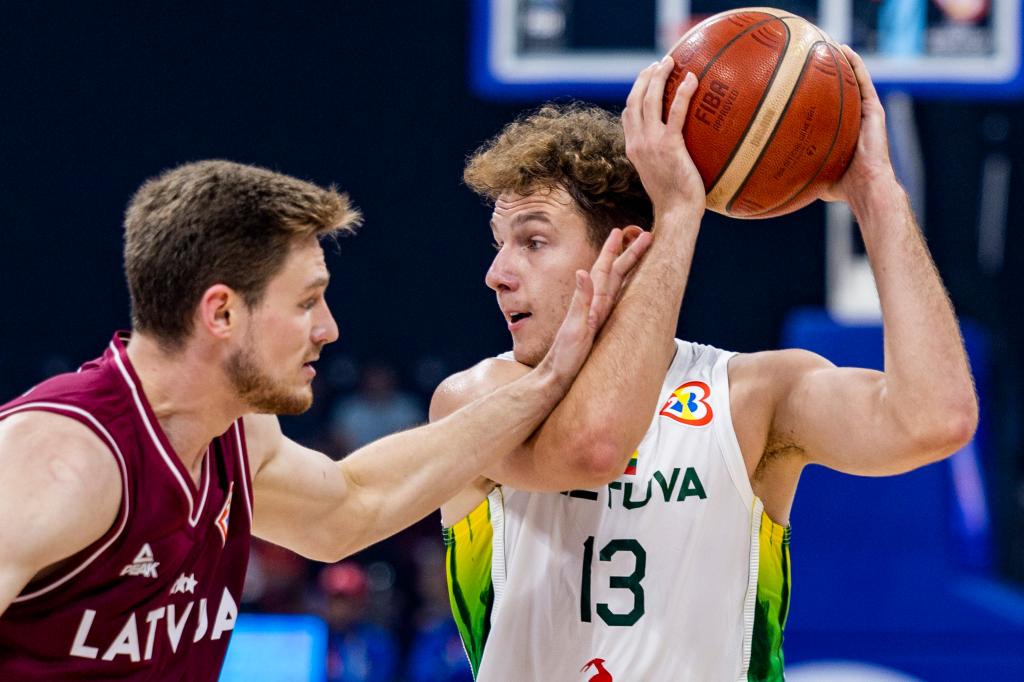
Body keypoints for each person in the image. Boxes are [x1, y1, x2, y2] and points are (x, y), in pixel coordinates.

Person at [434, 49, 977, 680]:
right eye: (500, 247)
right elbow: (594, 446)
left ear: (627, 247)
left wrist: (877, 193)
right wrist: (679, 214)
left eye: (532, 242)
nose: (496, 275)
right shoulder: (477, 397)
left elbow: (937, 418)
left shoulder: (753, 396)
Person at [0, 159, 650, 679]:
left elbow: (349, 508)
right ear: (222, 313)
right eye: (307, 301)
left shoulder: (235, 433)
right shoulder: (57, 460)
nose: (329, 329)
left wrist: (547, 381)